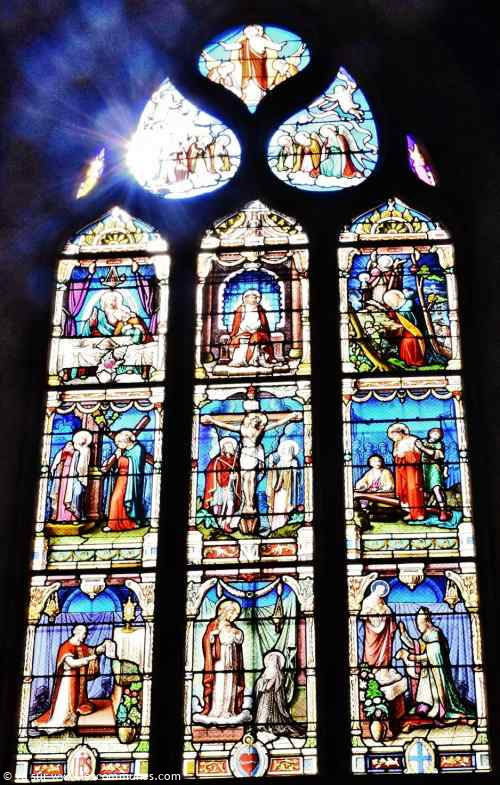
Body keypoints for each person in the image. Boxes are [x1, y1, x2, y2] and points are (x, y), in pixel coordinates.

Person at [397, 607, 475, 726]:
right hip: (428, 674)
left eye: (419, 624)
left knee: (436, 693)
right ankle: (426, 706)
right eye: (417, 624)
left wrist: (416, 658)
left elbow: (433, 656)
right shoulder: (426, 636)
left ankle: (440, 710)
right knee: (423, 702)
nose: (418, 627)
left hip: (436, 674)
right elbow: (415, 645)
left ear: (427, 622)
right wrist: (403, 634)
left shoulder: (434, 635)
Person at [32, 624, 106, 733]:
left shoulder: (82, 646)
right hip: (68, 680)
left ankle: (73, 715)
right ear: (76, 632)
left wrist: (102, 647)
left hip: (78, 679)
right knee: (66, 702)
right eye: (83, 633)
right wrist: (89, 659)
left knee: (77, 700)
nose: (85, 636)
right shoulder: (66, 646)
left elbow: (92, 651)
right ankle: (63, 720)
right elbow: (72, 663)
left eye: (85, 633)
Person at [200, 600, 245, 721]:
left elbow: (239, 640)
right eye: (233, 614)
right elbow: (207, 641)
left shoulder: (234, 627)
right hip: (219, 660)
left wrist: (238, 633)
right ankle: (216, 710)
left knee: (231, 683)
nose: (234, 617)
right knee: (219, 683)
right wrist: (212, 636)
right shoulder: (214, 625)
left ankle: (229, 710)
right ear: (227, 612)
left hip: (232, 659)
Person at [101, 430, 146, 531]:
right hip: (120, 479)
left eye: (119, 442)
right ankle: (113, 524)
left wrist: (120, 457)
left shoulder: (137, 449)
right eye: (117, 443)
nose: (118, 445)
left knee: (122, 500)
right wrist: (111, 463)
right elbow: (118, 465)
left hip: (130, 479)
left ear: (127, 440)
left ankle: (131, 522)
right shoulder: (123, 451)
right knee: (116, 499)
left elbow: (135, 464)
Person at [254, 650, 305, 737]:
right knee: (263, 714)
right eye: (272, 660)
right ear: (268, 662)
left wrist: (271, 682)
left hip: (275, 698)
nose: (273, 662)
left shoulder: (278, 673)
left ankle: (270, 726)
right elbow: (261, 683)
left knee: (274, 716)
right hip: (264, 697)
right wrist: (263, 684)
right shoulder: (265, 672)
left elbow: (277, 686)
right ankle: (262, 726)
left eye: (275, 660)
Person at [49, 429, 92, 522]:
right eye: (81, 438)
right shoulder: (65, 450)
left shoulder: (80, 452)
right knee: (62, 495)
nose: (83, 440)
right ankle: (61, 517)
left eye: (85, 439)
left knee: (75, 494)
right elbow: (57, 462)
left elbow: (83, 465)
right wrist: (64, 454)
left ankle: (73, 517)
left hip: (73, 476)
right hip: (64, 476)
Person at [387, 423, 426, 521]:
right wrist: (398, 456)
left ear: (399, 432)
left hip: (412, 469)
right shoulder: (396, 443)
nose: (393, 438)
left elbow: (419, 455)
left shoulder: (414, 440)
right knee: (404, 489)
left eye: (394, 436)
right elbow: (395, 455)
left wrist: (405, 454)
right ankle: (410, 512)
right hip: (401, 469)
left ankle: (418, 513)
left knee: (414, 489)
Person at [229, 290, 275, 368]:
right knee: (246, 340)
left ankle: (253, 360)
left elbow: (264, 324)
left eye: (255, 298)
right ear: (246, 299)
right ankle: (245, 360)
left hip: (257, 332)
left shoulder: (259, 309)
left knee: (257, 337)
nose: (253, 300)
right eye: (251, 298)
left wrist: (263, 332)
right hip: (243, 333)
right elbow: (236, 325)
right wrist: (234, 336)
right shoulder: (241, 309)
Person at [203, 437, 241, 531]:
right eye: (229, 446)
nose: (231, 448)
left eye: (232, 446)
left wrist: (235, 476)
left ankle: (227, 524)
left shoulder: (235, 462)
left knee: (231, 505)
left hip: (230, 488)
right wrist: (227, 477)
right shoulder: (218, 460)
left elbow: (238, 475)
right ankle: (218, 524)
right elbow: (213, 473)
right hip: (219, 488)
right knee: (218, 506)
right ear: (224, 448)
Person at [383, 289, 426, 367]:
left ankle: (416, 361)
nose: (392, 302)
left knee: (409, 340)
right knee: (405, 341)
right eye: (390, 301)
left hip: (414, 329)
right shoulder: (396, 309)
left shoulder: (409, 303)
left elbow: (413, 318)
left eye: (393, 299)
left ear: (398, 296)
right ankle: (407, 362)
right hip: (405, 330)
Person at [266, 439, 301, 530]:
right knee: (278, 507)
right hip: (279, 490)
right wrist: (272, 466)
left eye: (289, 449)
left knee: (285, 507)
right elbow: (275, 476)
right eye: (285, 449)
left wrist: (290, 471)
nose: (287, 451)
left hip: (289, 490)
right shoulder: (280, 462)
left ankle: (284, 524)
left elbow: (296, 476)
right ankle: (275, 527)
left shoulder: (294, 462)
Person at [360, 580, 397, 668]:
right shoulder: (367, 601)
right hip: (371, 629)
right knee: (371, 648)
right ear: (376, 589)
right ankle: (369, 666)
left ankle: (382, 666)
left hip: (383, 629)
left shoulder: (382, 601)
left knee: (384, 648)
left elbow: (388, 613)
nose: (381, 593)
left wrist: (387, 611)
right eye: (380, 590)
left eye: (383, 591)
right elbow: (363, 616)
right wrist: (368, 612)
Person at [420, 428, 452, 522]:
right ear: (430, 433)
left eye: (438, 435)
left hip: (434, 468)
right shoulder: (422, 441)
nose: (436, 436)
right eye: (435, 433)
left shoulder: (439, 444)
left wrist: (421, 447)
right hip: (423, 468)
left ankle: (443, 511)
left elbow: (435, 454)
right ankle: (426, 509)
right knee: (426, 491)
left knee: (436, 488)